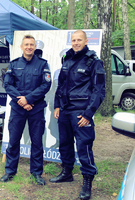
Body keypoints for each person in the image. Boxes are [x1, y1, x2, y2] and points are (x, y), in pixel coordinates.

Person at [50, 30, 105, 200]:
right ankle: (67, 172)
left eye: (79, 40)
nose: (76, 43)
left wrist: (89, 114)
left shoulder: (94, 61)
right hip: (65, 111)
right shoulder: (67, 58)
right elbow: (61, 85)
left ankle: (87, 182)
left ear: (86, 41)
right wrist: (57, 105)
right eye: (73, 40)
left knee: (84, 146)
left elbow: (99, 90)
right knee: (65, 143)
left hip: (81, 112)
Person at [0, 35, 51, 185]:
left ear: (35, 47)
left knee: (36, 142)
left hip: (36, 108)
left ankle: (36, 173)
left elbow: (46, 85)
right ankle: (10, 171)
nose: (29, 47)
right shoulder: (14, 64)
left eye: (32, 45)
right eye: (26, 44)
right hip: (18, 109)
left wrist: (28, 99)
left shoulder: (42, 64)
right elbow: (8, 85)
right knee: (14, 141)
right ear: (21, 47)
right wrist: (21, 101)